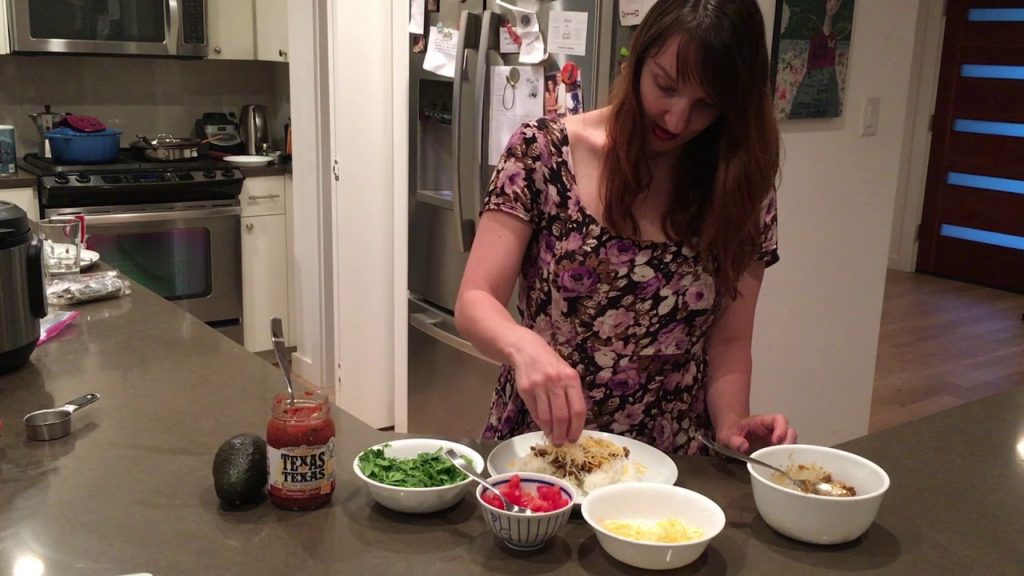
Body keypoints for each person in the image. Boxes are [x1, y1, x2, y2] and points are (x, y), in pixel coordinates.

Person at [454, 0, 797, 455]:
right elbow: (475, 300)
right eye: (665, 86)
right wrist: (521, 345)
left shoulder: (741, 186)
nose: (677, 119)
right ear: (637, 57)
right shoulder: (543, 153)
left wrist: (733, 424)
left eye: (706, 105)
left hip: (673, 461)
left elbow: (730, 343)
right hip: (547, 448)